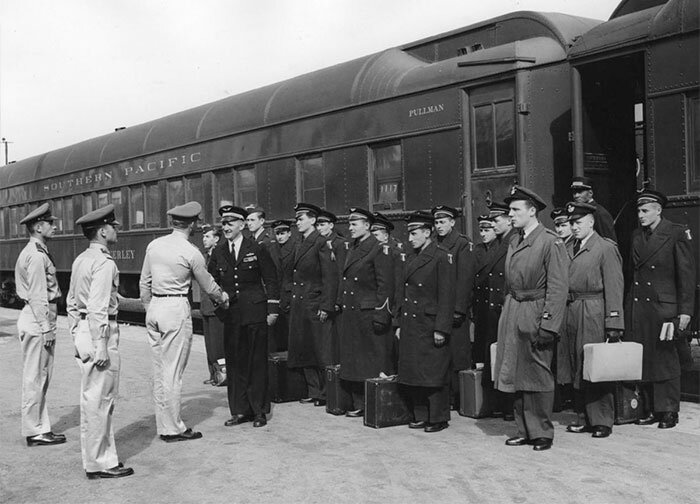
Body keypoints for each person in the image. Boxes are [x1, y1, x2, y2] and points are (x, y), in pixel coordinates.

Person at [139, 201, 229, 442]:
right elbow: (207, 283)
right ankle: (173, 428)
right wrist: (223, 298)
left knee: (160, 371)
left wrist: (149, 307)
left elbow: (144, 282)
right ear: (192, 224)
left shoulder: (154, 245)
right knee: (173, 372)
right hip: (175, 308)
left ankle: (164, 424)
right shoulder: (191, 252)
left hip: (155, 308)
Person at [493, 186, 568, 451]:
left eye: (516, 210)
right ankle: (523, 429)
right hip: (514, 309)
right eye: (510, 210)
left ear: (532, 211)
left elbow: (558, 288)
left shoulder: (550, 241)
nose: (510, 215)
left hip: (535, 310)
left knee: (537, 372)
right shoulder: (514, 240)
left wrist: (548, 323)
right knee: (515, 370)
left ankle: (542, 433)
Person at [67, 204, 134, 479]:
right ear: (103, 231)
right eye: (113, 226)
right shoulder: (104, 263)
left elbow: (71, 302)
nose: (116, 230)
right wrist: (101, 343)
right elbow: (98, 307)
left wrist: (77, 332)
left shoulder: (81, 259)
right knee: (101, 401)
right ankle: (101, 463)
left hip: (84, 331)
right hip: (99, 334)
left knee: (91, 400)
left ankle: (96, 459)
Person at [625, 189, 695, 429]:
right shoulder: (637, 235)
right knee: (645, 358)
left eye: (645, 210)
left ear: (658, 210)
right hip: (640, 306)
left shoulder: (675, 233)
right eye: (638, 210)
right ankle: (651, 408)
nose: (641, 215)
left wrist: (685, 312)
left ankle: (668, 410)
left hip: (664, 307)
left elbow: (685, 275)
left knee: (666, 359)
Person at [208, 205, 280, 428]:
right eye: (224, 223)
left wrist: (272, 309)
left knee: (256, 363)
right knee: (235, 363)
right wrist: (219, 303)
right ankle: (239, 411)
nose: (226, 227)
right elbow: (211, 282)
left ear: (242, 225)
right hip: (232, 316)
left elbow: (271, 279)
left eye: (231, 223)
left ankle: (258, 411)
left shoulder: (256, 248)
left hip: (255, 313)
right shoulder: (219, 252)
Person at [561, 202, 624, 439]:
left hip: (594, 311)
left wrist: (614, 322)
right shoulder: (567, 247)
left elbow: (614, 286)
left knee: (595, 366)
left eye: (578, 222)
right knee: (576, 365)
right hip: (571, 310)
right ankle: (582, 416)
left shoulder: (605, 248)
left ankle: (602, 420)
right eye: (571, 223)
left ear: (591, 221)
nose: (574, 227)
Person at [395, 211, 456, 432]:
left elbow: (447, 296)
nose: (410, 238)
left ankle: (438, 417)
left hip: (430, 323)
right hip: (412, 322)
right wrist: (399, 323)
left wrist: (441, 328)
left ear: (427, 232)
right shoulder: (411, 256)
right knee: (414, 370)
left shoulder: (442, 256)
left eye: (414, 233)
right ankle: (420, 414)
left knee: (432, 371)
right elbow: (403, 291)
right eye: (409, 233)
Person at [14, 203, 65, 447]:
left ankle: (40, 427)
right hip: (38, 318)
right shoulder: (35, 255)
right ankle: (34, 431)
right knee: (35, 376)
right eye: (50, 223)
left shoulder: (37, 251)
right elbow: (37, 294)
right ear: (38, 226)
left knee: (41, 374)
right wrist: (46, 327)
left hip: (39, 317)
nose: (54, 227)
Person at [337, 207, 394, 417]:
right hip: (353, 312)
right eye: (350, 224)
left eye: (354, 224)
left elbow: (385, 285)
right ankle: (358, 402)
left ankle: (370, 403)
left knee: (369, 360)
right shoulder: (353, 248)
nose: (350, 228)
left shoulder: (378, 249)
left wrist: (381, 314)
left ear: (367, 226)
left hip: (368, 313)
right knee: (354, 359)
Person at [288, 203, 338, 407]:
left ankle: (326, 393)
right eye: (297, 219)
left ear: (312, 220)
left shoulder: (321, 243)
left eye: (301, 219)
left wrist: (326, 306)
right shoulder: (300, 242)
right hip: (301, 302)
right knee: (304, 347)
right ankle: (313, 390)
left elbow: (330, 278)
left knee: (321, 349)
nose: (297, 223)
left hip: (315, 303)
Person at [431, 205, 475, 409]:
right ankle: (445, 395)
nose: (439, 226)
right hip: (438, 308)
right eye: (436, 222)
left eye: (443, 222)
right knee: (441, 354)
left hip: (455, 310)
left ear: (452, 222)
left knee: (458, 354)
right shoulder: (433, 243)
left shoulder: (461, 244)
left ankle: (459, 397)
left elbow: (464, 280)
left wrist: (459, 309)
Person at [487, 201, 518, 420]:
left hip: (505, 307)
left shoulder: (513, 242)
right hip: (493, 309)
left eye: (497, 220)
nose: (493, 224)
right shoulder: (497, 243)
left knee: (508, 358)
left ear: (509, 220)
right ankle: (500, 403)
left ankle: (509, 405)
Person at [316, 209, 348, 364]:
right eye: (317, 225)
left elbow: (340, 275)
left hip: (334, 303)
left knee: (332, 344)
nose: (319, 228)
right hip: (324, 299)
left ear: (331, 225)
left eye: (322, 225)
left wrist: (336, 302)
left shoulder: (339, 244)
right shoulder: (319, 243)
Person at [200, 224, 226, 385]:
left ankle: (222, 374)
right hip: (206, 306)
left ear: (216, 239)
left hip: (216, 306)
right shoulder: (205, 256)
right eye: (204, 236)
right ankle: (213, 374)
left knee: (218, 344)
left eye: (208, 236)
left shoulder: (220, 255)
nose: (204, 239)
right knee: (209, 343)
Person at [268, 219, 296, 353]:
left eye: (283, 233)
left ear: (289, 233)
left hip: (291, 297)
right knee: (278, 337)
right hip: (276, 297)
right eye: (277, 233)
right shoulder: (272, 249)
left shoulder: (296, 248)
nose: (280, 236)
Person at [570, 176, 616, 241]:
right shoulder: (576, 211)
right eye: (574, 192)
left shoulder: (599, 213)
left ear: (590, 193)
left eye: (580, 192)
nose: (576, 196)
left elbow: (609, 243)